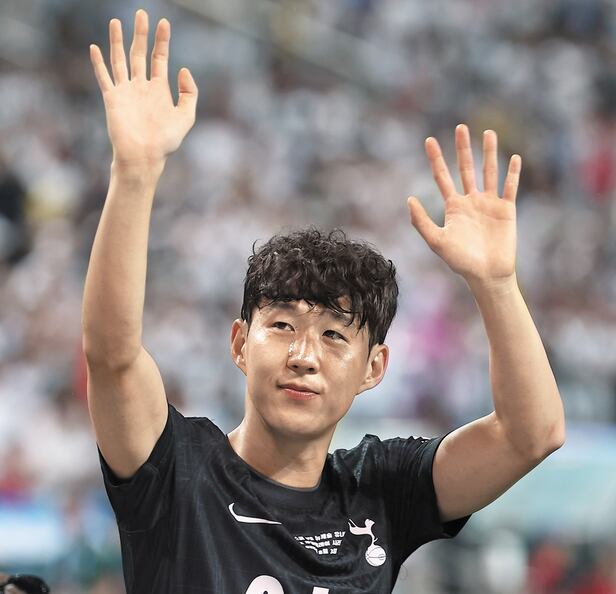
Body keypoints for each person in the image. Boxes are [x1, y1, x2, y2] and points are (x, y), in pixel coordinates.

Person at [82, 9, 566, 594]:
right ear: (239, 342)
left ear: (374, 368)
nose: (304, 356)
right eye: (282, 326)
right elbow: (111, 355)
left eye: (334, 335)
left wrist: (496, 284)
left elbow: (531, 435)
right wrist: (134, 172)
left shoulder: (381, 490)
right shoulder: (176, 470)